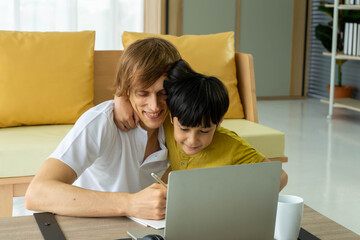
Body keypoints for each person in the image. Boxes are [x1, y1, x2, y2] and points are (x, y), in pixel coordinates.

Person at [25, 37, 182, 219]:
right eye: (142, 93)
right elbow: (37, 193)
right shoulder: (102, 121)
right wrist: (129, 204)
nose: (154, 106)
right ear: (127, 90)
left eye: (164, 94)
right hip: (94, 226)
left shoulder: (181, 125)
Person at [114, 59, 288, 191]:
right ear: (172, 117)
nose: (192, 140)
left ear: (219, 122)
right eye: (184, 129)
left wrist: (240, 199)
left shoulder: (233, 146)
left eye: (204, 131)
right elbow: (142, 85)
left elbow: (280, 176)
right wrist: (120, 97)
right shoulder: (167, 120)